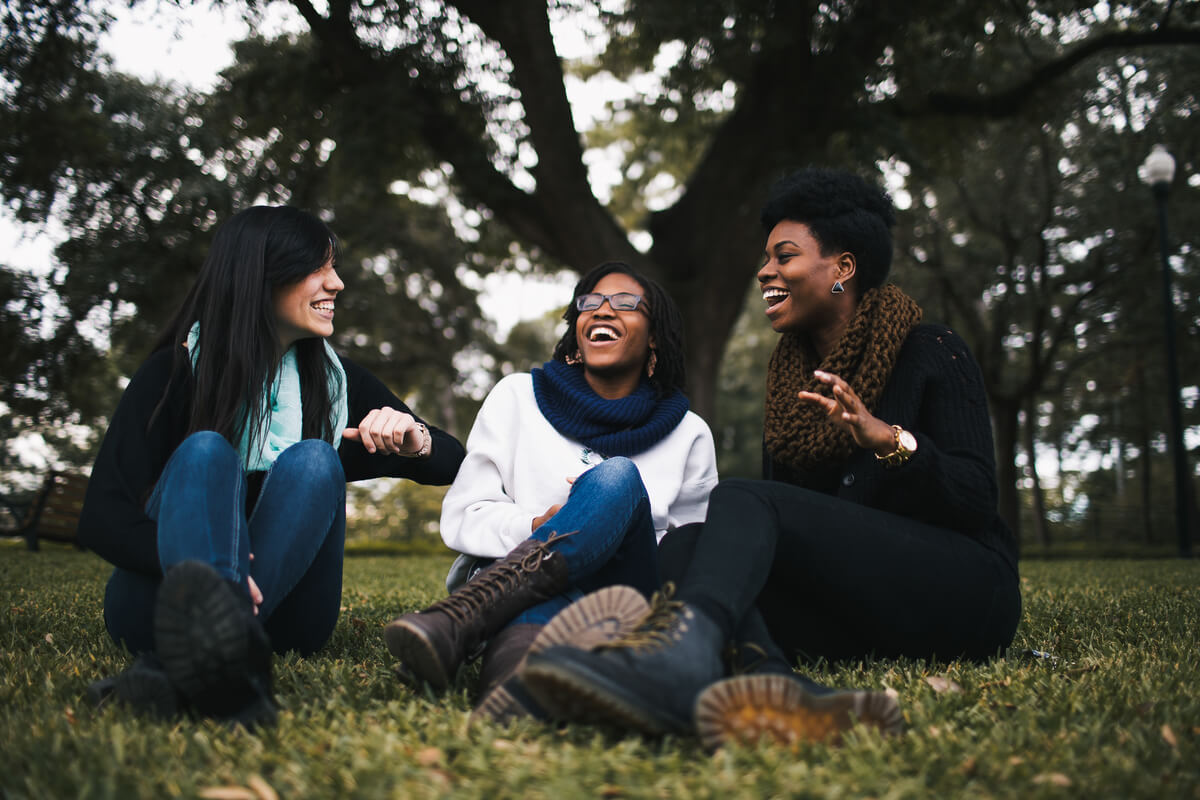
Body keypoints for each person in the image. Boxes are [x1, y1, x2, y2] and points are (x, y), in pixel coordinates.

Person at [520, 167, 1022, 749]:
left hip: (963, 592)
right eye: (766, 258)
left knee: (738, 495)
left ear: (843, 268)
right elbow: (788, 540)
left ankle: (682, 661)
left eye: (784, 256)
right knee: (684, 543)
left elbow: (976, 499)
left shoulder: (931, 351)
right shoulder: (790, 385)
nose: (765, 272)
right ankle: (776, 685)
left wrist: (888, 440)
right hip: (862, 611)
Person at [79, 206, 464, 726]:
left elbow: (452, 463)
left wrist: (413, 439)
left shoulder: (332, 384)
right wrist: (221, 578)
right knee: (205, 451)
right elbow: (101, 518)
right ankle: (225, 655)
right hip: (157, 607)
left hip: (293, 619)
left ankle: (186, 665)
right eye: (318, 268)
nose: (338, 283)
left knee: (314, 460)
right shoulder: (173, 374)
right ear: (261, 275)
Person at [383, 261, 718, 723]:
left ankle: (461, 619)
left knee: (616, 477)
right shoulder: (517, 397)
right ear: (576, 329)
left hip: (627, 596)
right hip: (530, 589)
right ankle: (513, 692)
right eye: (590, 303)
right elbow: (465, 512)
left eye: (624, 303)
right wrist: (535, 526)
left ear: (655, 335)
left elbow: (692, 552)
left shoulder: (689, 433)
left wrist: (605, 524)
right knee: (526, 630)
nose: (603, 310)